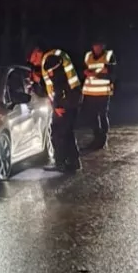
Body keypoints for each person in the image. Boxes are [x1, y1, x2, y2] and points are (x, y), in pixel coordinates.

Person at [29, 44, 82, 173]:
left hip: (65, 101)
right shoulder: (55, 55)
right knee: (67, 131)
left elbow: (59, 84)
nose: (32, 62)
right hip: (70, 98)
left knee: (58, 133)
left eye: (31, 58)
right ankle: (73, 162)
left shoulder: (50, 60)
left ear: (36, 52)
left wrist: (57, 105)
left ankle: (60, 163)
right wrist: (39, 81)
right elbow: (52, 84)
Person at [82, 38, 116, 150]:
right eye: (95, 45)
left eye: (99, 45)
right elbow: (83, 71)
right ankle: (97, 137)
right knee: (92, 116)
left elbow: (112, 74)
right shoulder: (88, 56)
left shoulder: (109, 56)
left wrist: (95, 74)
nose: (97, 48)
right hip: (90, 92)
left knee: (102, 115)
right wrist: (87, 73)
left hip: (103, 92)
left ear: (103, 46)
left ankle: (102, 138)